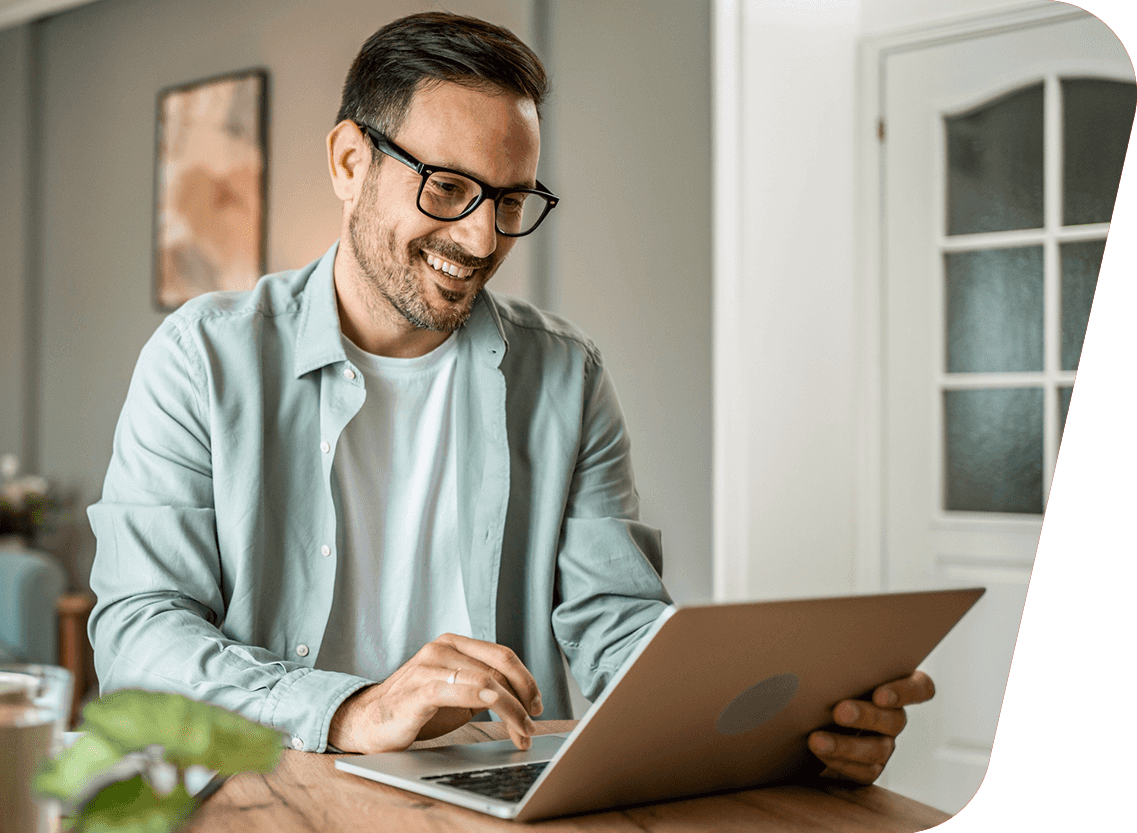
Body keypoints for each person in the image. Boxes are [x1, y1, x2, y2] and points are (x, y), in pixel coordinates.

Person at [88, 11, 932, 784]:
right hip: (271, 784)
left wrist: (778, 727)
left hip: (489, 795)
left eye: (511, 199)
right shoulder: (203, 356)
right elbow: (137, 633)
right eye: (448, 188)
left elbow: (615, 625)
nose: (482, 237)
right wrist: (353, 709)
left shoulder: (568, 375)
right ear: (351, 163)